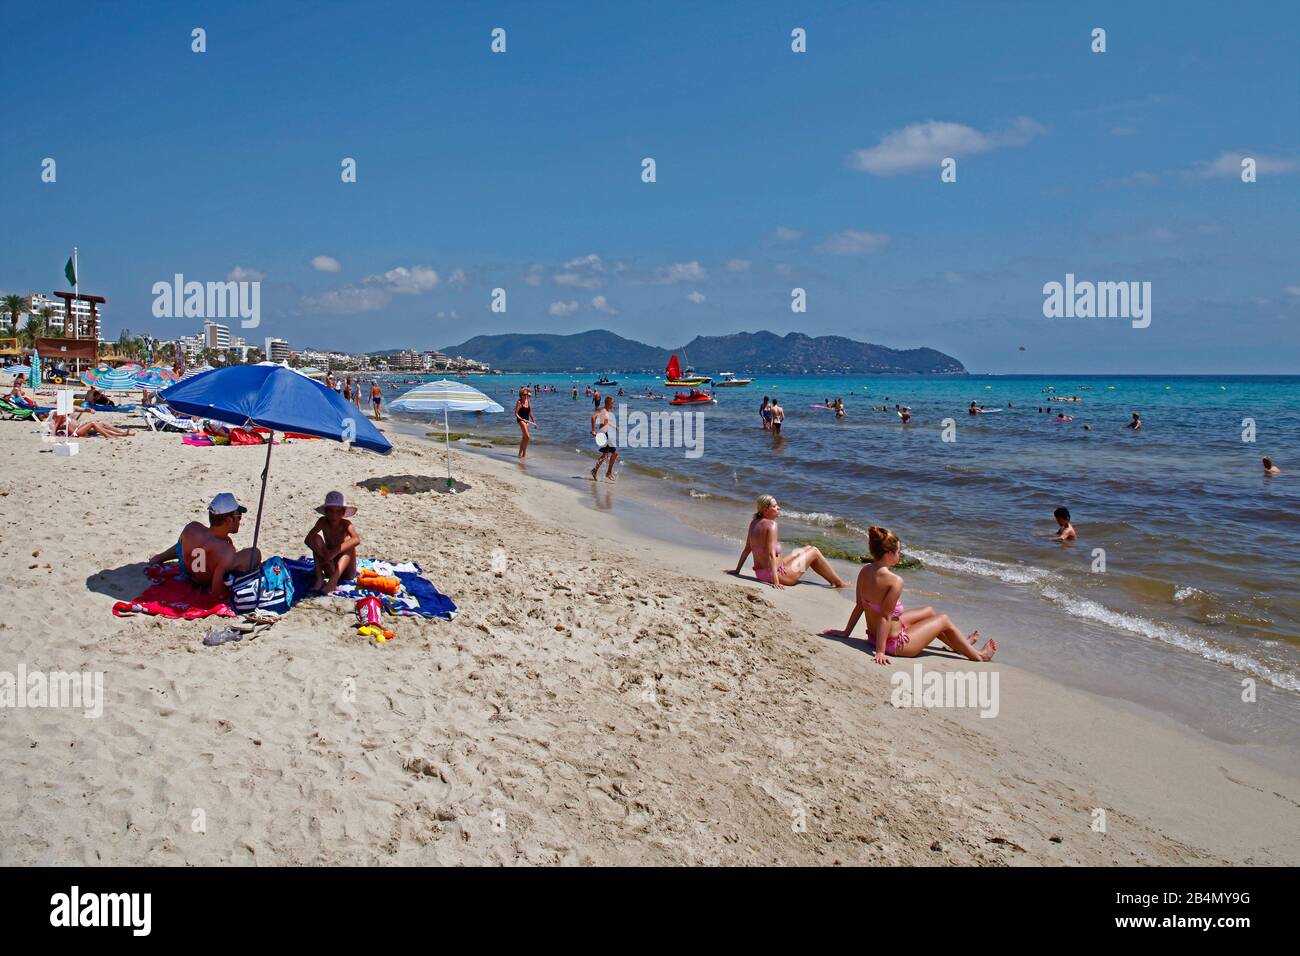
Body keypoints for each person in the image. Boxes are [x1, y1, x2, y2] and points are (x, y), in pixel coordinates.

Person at [820, 526, 996, 664]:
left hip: (874, 637)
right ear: (889, 554)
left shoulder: (865, 571)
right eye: (898, 552)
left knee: (929, 611)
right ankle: (979, 656)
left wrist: (846, 632)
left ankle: (959, 646)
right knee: (943, 619)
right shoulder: (894, 581)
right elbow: (884, 617)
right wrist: (880, 651)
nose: (899, 556)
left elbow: (860, 606)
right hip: (895, 645)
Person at [148, 493, 260, 602]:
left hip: (186, 571)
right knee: (254, 553)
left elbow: (185, 546)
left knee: (184, 543)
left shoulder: (192, 528)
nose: (240, 520)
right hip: (205, 579)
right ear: (229, 520)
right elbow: (217, 592)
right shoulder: (226, 550)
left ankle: (159, 558)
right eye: (239, 516)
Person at [727, 495, 847, 589]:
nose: (778, 508)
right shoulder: (771, 525)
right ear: (765, 510)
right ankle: (838, 582)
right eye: (774, 506)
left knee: (808, 548)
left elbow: (747, 548)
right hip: (779, 576)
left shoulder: (754, 523)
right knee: (814, 551)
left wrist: (737, 570)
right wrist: (776, 581)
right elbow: (771, 554)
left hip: (761, 573)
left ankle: (834, 581)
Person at [305, 491, 361, 594]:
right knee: (316, 539)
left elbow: (357, 539)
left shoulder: (346, 524)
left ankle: (333, 581)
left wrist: (334, 552)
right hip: (330, 566)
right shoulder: (322, 521)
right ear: (326, 512)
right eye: (331, 511)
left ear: (343, 513)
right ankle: (320, 579)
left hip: (346, 569)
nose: (334, 515)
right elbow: (308, 540)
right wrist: (324, 556)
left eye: (338, 511)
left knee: (349, 540)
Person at [590, 395, 618, 481]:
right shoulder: (603, 411)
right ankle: (607, 472)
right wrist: (593, 430)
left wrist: (614, 426)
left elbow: (606, 422)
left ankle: (595, 470)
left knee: (606, 455)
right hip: (603, 434)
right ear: (608, 403)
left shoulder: (606, 411)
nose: (613, 405)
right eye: (612, 403)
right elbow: (593, 417)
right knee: (613, 453)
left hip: (606, 434)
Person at [50, 412, 131, 438]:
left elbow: (66, 425)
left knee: (102, 424)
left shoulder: (65, 416)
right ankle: (108, 435)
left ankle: (121, 433)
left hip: (79, 428)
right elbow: (55, 429)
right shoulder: (59, 417)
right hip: (76, 432)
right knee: (93, 423)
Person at [514, 386, 534, 459]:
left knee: (524, 438)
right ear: (521, 395)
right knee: (528, 437)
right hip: (520, 419)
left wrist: (534, 421)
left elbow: (530, 412)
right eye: (524, 395)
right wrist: (522, 419)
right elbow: (515, 414)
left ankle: (519, 453)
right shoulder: (519, 402)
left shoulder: (528, 401)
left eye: (527, 395)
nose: (526, 396)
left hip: (527, 419)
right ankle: (524, 454)